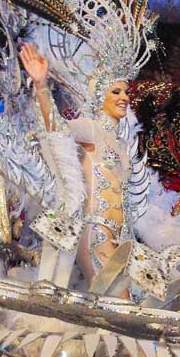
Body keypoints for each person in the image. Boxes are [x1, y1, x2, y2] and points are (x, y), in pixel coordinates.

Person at [19, 41, 135, 283]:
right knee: (116, 300)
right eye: (116, 92)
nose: (124, 97)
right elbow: (56, 130)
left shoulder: (122, 145)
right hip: (95, 231)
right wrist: (41, 85)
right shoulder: (90, 129)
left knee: (119, 305)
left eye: (126, 92)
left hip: (121, 237)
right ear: (100, 97)